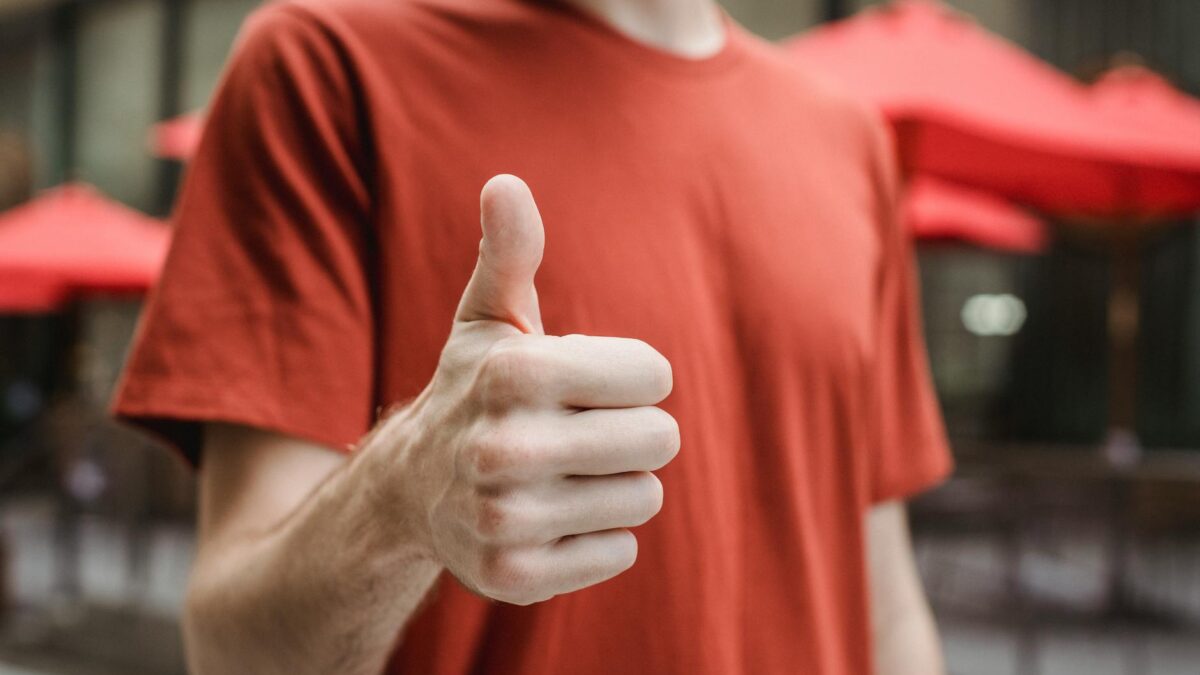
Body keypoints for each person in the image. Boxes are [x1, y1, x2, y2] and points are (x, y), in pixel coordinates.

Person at [113, 0, 952, 672]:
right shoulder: (322, 65)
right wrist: (403, 495)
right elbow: (229, 653)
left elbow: (884, 604)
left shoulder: (851, 142)